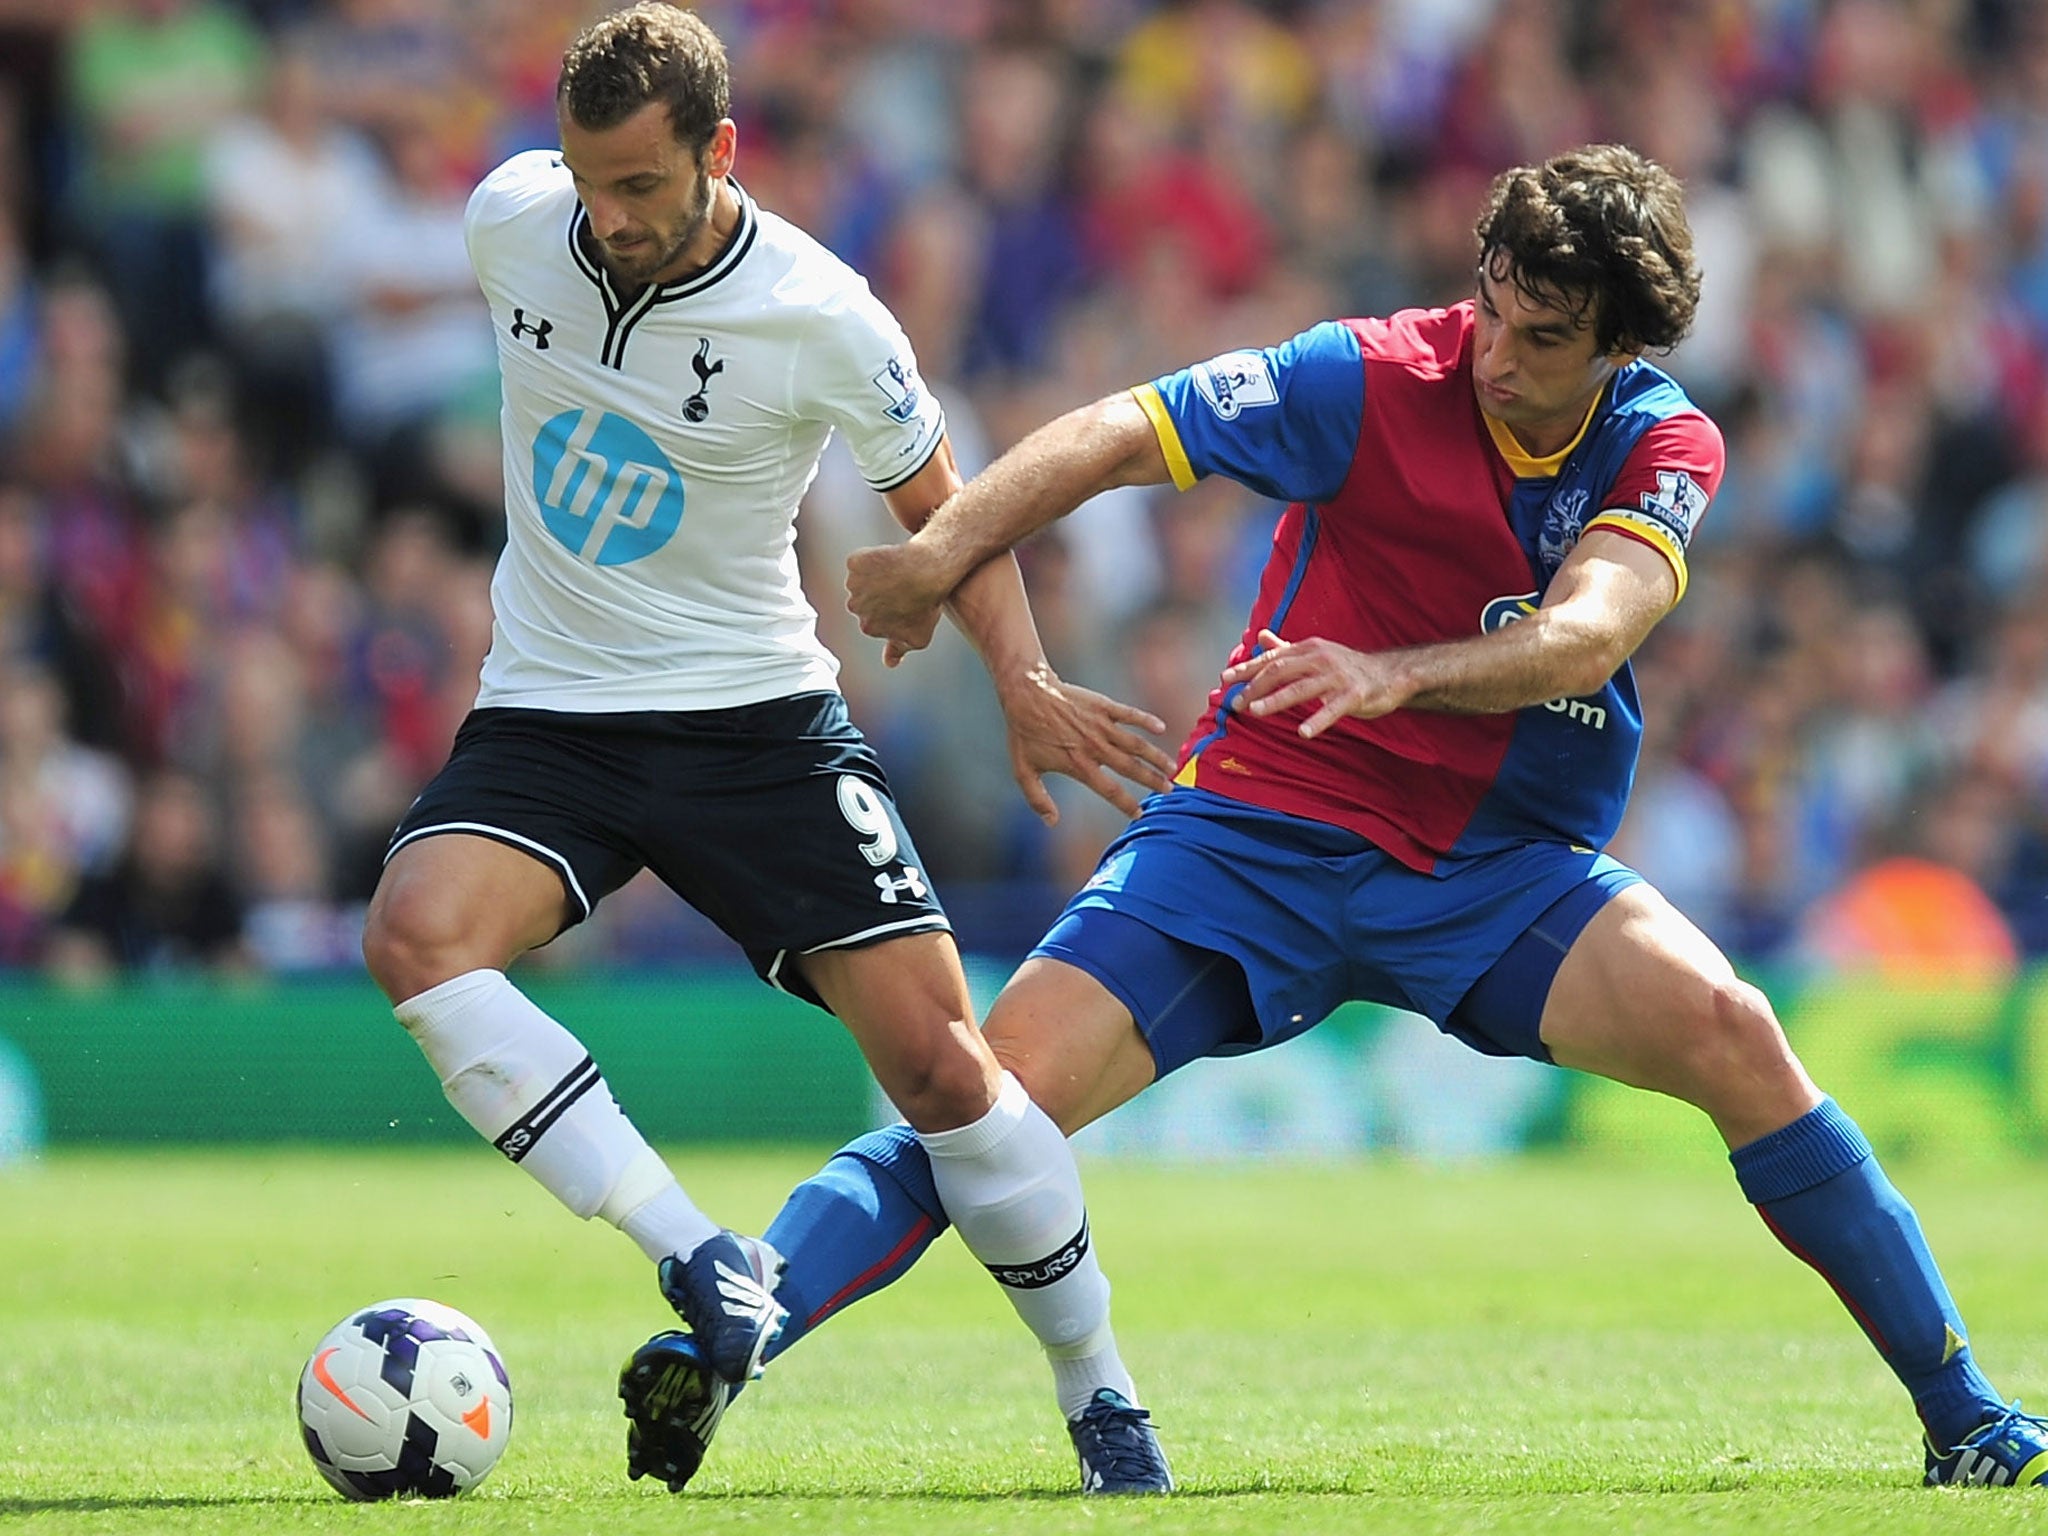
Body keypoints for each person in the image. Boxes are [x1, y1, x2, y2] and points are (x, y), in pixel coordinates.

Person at [638, 143, 2048, 1494]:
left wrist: (1399, 676)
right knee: (984, 1104)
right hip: (1257, 835)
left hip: (1497, 874)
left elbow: (1586, 639)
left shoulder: (1662, 442)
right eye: (1492, 308)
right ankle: (726, 1335)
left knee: (1742, 1036)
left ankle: (1965, 1418)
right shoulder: (1370, 374)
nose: (1496, 352)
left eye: (1542, 336)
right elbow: (1121, 430)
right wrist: (947, 548)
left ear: (1622, 343)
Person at [355, 2, 1177, 1499]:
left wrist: (1026, 681)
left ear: (721, 153)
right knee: (417, 937)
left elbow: (955, 510)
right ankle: (702, 1261)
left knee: (944, 1071)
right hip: (553, 707)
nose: (605, 220)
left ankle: (1100, 1393)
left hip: (755, 723)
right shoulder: (511, 223)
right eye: (585, 183)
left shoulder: (820, 311)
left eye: (643, 189)